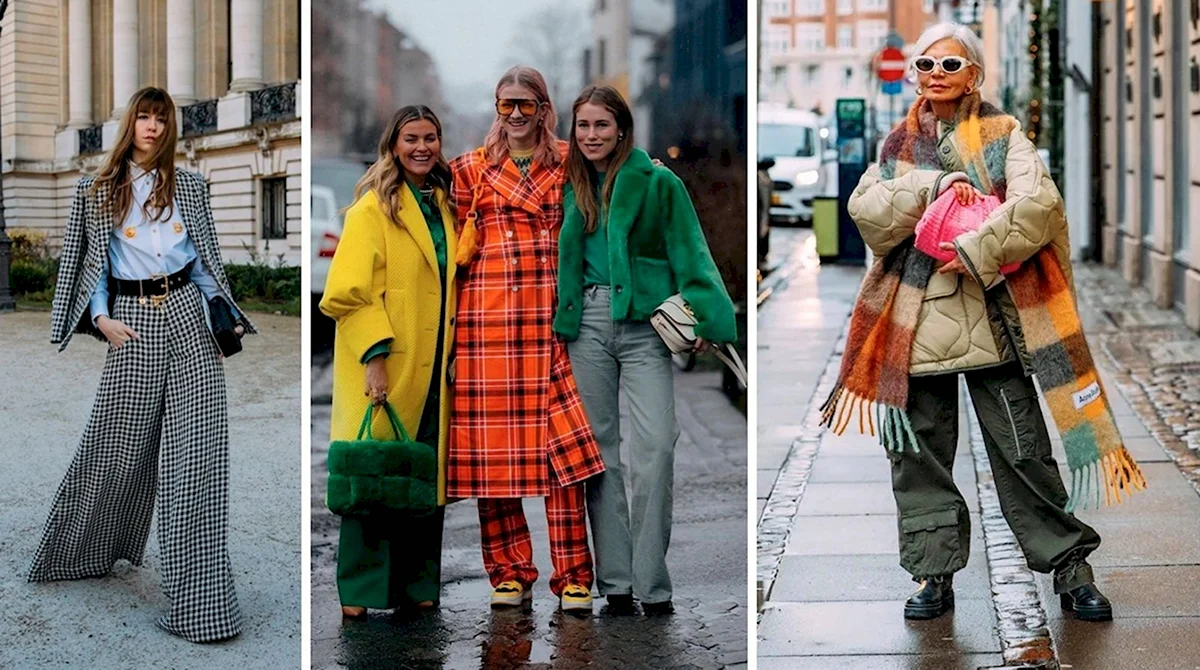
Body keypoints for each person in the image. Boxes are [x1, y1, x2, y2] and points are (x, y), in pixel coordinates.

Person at [829, 23, 1145, 622]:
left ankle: (1071, 568)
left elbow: (1038, 206)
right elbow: (868, 216)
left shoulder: (1006, 136)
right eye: (926, 63)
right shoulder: (895, 149)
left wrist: (970, 246)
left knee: (1024, 451)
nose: (937, 74)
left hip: (997, 321)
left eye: (951, 63)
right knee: (917, 459)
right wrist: (933, 189)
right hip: (913, 331)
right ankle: (933, 574)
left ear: (974, 73)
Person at [32, 86, 252, 642]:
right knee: (117, 446)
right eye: (144, 117)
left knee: (197, 463)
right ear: (130, 123)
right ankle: (79, 553)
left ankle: (201, 609)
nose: (152, 127)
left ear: (170, 127)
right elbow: (90, 265)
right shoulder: (96, 190)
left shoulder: (193, 187)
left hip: (189, 317)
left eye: (161, 119)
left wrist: (223, 314)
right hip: (130, 321)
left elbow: (204, 265)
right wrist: (101, 319)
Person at [553, 85, 737, 614]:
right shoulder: (565, 184)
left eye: (602, 126)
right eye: (583, 126)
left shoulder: (660, 183)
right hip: (584, 325)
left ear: (622, 130)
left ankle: (651, 580)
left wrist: (706, 313)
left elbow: (691, 249)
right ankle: (615, 582)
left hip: (644, 328)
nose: (591, 136)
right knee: (601, 454)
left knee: (656, 448)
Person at [447, 66, 605, 613]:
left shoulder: (570, 161)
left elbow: (617, 193)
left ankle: (573, 575)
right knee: (495, 460)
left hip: (552, 322)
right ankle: (509, 571)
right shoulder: (468, 169)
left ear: (544, 108)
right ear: (496, 107)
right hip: (486, 326)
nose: (515, 114)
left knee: (561, 453)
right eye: (505, 104)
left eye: (526, 104)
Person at [320, 105, 458, 620]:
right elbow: (347, 293)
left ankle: (418, 583)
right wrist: (375, 359)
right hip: (387, 362)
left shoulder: (444, 205)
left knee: (422, 478)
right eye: (411, 139)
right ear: (393, 145)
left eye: (431, 138)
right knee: (375, 479)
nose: (422, 147)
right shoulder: (370, 210)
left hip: (434, 369)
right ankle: (362, 588)